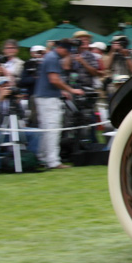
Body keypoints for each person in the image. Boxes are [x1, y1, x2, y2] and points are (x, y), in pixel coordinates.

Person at [33, 38, 83, 169]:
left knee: (46, 130)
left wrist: (61, 91)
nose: (67, 54)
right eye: (67, 51)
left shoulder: (51, 57)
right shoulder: (53, 58)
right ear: (62, 48)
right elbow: (54, 80)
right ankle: (53, 161)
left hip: (45, 97)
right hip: (48, 100)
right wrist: (71, 90)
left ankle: (43, 157)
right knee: (53, 129)